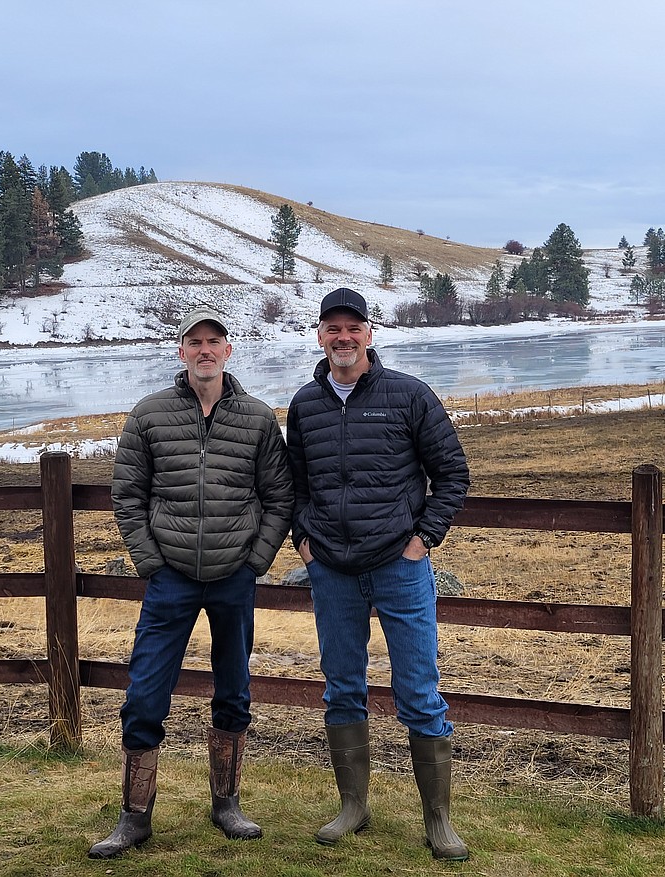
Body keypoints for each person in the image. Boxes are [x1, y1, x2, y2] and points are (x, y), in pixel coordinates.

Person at [89, 305, 294, 859]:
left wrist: (256, 560)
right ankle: (135, 816)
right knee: (146, 691)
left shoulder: (255, 418)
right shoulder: (150, 415)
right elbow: (128, 496)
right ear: (180, 352)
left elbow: (278, 496)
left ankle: (226, 803)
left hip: (235, 577)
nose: (204, 350)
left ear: (229, 350)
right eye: (194, 342)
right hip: (170, 578)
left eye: (214, 341)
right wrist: (150, 562)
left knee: (233, 688)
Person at [286, 287, 472, 861]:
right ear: (319, 335)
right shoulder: (305, 405)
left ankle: (438, 819)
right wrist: (305, 545)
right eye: (332, 327)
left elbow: (453, 475)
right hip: (332, 572)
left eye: (353, 327)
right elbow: (293, 484)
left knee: (418, 689)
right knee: (342, 688)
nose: (343, 337)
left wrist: (421, 542)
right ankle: (353, 806)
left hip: (399, 566)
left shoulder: (409, 395)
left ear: (370, 333)